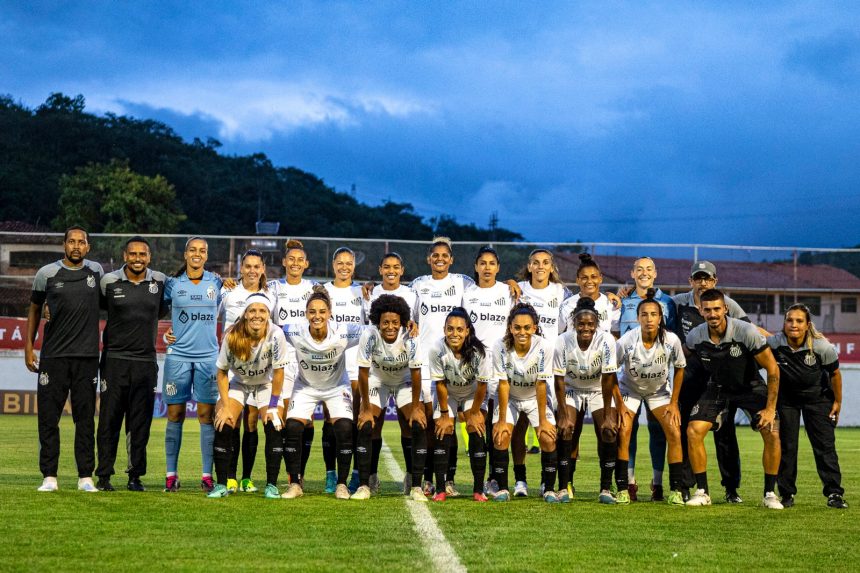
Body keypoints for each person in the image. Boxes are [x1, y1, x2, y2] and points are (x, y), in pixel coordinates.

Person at [685, 289, 783, 509]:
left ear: (725, 309)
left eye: (717, 309)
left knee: (772, 431)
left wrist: (770, 409)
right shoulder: (695, 336)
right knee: (693, 431)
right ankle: (702, 492)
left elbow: (773, 369)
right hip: (717, 387)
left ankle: (770, 494)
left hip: (750, 387)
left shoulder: (746, 331)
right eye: (707, 309)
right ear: (701, 311)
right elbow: (683, 361)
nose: (712, 314)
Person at [26, 226, 104, 492]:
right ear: (64, 245)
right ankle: (49, 476)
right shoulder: (46, 274)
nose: (76, 246)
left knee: (84, 419)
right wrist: (29, 347)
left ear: (88, 247)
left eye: (81, 242)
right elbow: (35, 308)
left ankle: (85, 477)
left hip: (86, 357)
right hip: (54, 356)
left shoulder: (97, 272)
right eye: (71, 241)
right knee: (49, 418)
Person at [672, 260, 750, 502]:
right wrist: (622, 294)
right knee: (689, 431)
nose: (702, 282)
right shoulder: (677, 303)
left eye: (707, 278)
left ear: (715, 281)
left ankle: (731, 488)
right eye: (698, 278)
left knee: (725, 434)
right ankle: (686, 486)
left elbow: (748, 332)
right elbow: (649, 306)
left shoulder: (728, 304)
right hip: (691, 377)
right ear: (691, 281)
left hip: (721, 378)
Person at [95, 236, 167, 492]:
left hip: (145, 362)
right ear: (125, 256)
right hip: (114, 361)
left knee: (139, 424)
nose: (138, 259)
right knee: (109, 421)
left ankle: (135, 475)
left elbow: (165, 308)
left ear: (149, 257)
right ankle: (103, 476)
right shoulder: (108, 281)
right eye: (133, 254)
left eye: (143, 254)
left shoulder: (159, 281)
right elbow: (92, 307)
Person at [604, 289, 687, 505]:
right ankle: (623, 487)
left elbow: (679, 368)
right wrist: (620, 404)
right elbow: (610, 372)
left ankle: (674, 489)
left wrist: (674, 403)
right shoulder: (627, 340)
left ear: (661, 318)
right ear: (638, 318)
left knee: (674, 431)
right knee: (624, 430)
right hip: (630, 390)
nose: (649, 319)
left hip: (658, 392)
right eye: (644, 314)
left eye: (653, 314)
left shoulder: (672, 340)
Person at [280, 285, 363, 499]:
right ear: (306, 314)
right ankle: (295, 484)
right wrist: (237, 326)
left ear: (330, 313)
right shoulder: (294, 330)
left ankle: (342, 485)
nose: (317, 316)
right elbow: (269, 330)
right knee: (292, 427)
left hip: (336, 387)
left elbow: (373, 330)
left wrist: (408, 324)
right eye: (312, 312)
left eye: (322, 312)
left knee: (345, 427)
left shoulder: (345, 331)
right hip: (305, 387)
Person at [409, 237, 475, 496]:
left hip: (453, 363)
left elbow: (488, 287)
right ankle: (427, 478)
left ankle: (449, 479)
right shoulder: (417, 285)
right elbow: (403, 308)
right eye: (435, 255)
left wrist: (513, 284)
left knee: (449, 421)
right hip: (426, 364)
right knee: (428, 423)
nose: (439, 259)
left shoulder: (462, 283)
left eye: (444, 255)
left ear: (451, 259)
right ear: (429, 259)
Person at [768, 304, 847, 509]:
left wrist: (837, 402)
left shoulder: (822, 347)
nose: (793, 324)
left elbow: (835, 375)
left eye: (799, 321)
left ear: (807, 325)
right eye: (789, 320)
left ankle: (834, 494)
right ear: (784, 323)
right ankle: (786, 494)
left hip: (819, 400)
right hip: (787, 402)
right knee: (787, 447)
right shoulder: (774, 343)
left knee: (824, 447)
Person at [209, 295, 288, 499]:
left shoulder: (276, 334)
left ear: (268, 314)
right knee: (223, 422)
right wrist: (226, 406)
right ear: (245, 314)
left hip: (265, 383)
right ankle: (220, 484)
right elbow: (221, 372)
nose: (257, 315)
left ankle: (271, 485)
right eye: (252, 310)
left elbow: (279, 372)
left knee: (275, 423)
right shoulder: (233, 335)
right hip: (239, 383)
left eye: (262, 311)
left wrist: (272, 405)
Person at [162, 237, 223, 493]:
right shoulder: (172, 284)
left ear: (206, 256)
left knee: (205, 416)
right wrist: (166, 333)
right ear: (185, 254)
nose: (197, 254)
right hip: (178, 356)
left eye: (202, 251)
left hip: (208, 358)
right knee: (175, 415)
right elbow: (155, 312)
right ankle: (171, 474)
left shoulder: (217, 283)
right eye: (193, 250)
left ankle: (207, 475)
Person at [615, 256, 676, 502]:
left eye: (648, 269)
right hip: (627, 376)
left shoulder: (668, 302)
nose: (644, 273)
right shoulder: (621, 300)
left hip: (657, 376)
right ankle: (629, 482)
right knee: (627, 428)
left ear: (656, 273)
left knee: (657, 428)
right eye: (639, 269)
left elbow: (672, 338)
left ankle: (657, 482)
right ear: (632, 273)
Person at [511, 248, 571, 496]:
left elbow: (574, 317)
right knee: (520, 425)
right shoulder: (517, 289)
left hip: (553, 366)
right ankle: (520, 481)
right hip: (524, 363)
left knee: (553, 426)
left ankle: (551, 481)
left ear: (551, 266)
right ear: (529, 265)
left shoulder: (561, 292)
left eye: (545, 262)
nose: (540, 267)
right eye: (535, 262)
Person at [355, 294, 424, 500]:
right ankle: (367, 483)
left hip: (404, 381)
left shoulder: (410, 336)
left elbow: (416, 373)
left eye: (395, 322)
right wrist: (366, 408)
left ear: (402, 321)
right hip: (378, 380)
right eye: (385, 322)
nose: (390, 326)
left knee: (416, 424)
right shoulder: (370, 335)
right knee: (367, 425)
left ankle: (415, 483)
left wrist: (415, 407)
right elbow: (362, 373)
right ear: (378, 321)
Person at [218, 249, 275, 493]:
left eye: (256, 266)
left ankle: (246, 478)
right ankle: (229, 477)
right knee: (232, 418)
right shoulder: (228, 291)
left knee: (252, 422)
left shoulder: (270, 296)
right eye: (247, 266)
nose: (252, 270)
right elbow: (213, 321)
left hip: (260, 369)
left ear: (262, 269)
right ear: (240, 269)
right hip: (233, 368)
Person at [491, 303, 558, 503]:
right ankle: (507, 486)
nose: (522, 332)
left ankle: (548, 487)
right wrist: (502, 420)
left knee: (547, 437)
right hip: (510, 396)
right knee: (501, 436)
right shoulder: (500, 346)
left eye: (527, 327)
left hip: (533, 398)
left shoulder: (544, 347)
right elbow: (503, 384)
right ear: (510, 328)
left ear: (534, 328)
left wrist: (543, 422)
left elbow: (540, 384)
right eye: (517, 327)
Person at [554, 297, 618, 503]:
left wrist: (608, 416)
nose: (586, 328)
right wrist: (563, 415)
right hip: (571, 388)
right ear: (574, 323)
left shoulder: (606, 340)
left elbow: (608, 378)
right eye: (581, 324)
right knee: (566, 429)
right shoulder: (563, 340)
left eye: (590, 324)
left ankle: (605, 489)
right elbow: (559, 380)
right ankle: (564, 486)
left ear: (597, 324)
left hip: (598, 388)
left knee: (608, 431)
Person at [363, 252, 418, 494]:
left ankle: (412, 477)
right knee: (371, 422)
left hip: (403, 373)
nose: (391, 270)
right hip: (378, 372)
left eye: (396, 266)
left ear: (403, 270)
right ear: (380, 269)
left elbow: (415, 324)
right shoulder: (369, 292)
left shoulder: (412, 294)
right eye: (386, 266)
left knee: (412, 423)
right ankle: (370, 477)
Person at [268, 239, 321, 489]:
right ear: (283, 262)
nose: (295, 263)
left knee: (305, 420)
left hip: (307, 362)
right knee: (280, 418)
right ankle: (286, 475)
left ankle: (298, 474)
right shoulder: (272, 288)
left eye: (300, 260)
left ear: (307, 264)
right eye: (291, 259)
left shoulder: (315, 289)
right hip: (281, 362)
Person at [462, 246, 513, 495]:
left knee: (497, 424)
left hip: (501, 365)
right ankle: (480, 480)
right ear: (476, 267)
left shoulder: (508, 291)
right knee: (476, 422)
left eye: (492, 263)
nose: (487, 267)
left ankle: (497, 478)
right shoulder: (466, 293)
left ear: (498, 267)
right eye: (482, 263)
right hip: (473, 365)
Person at [430, 308, 493, 502]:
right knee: (444, 428)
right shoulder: (436, 349)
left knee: (476, 427)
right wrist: (443, 414)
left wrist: (474, 412)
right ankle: (440, 489)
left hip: (472, 394)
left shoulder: (479, 352)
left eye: (459, 329)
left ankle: (478, 490)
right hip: (447, 393)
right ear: (444, 330)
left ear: (467, 331)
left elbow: (482, 385)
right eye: (450, 329)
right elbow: (439, 384)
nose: (454, 334)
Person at [324, 247, 366, 493]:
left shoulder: (362, 292)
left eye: (348, 263)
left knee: (357, 423)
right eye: (340, 262)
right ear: (333, 265)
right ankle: (331, 476)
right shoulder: (321, 291)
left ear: (354, 266)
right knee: (332, 424)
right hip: (330, 368)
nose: (344, 267)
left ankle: (357, 475)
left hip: (356, 367)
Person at [559, 253, 620, 334]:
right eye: (584, 278)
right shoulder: (567, 305)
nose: (589, 281)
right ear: (577, 280)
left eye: (594, 277)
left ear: (600, 279)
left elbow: (616, 333)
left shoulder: (611, 303)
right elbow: (558, 332)